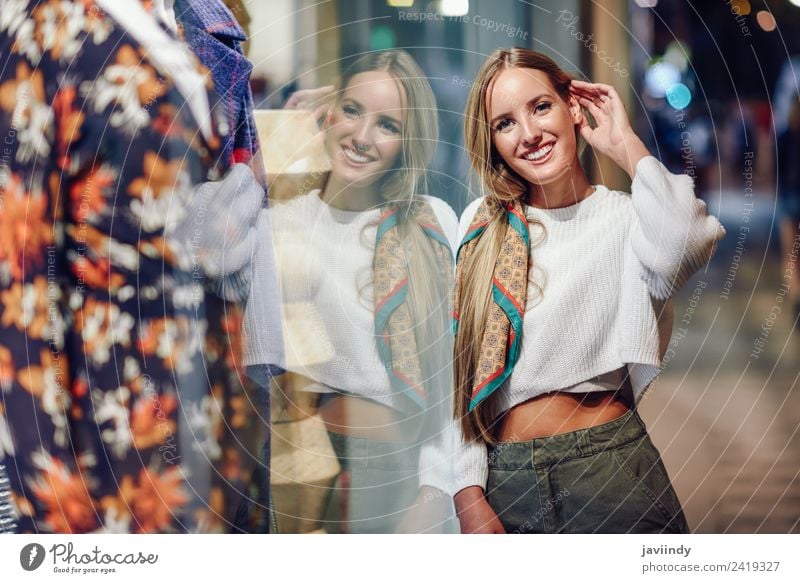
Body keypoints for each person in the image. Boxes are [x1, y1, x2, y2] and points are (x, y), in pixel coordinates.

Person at [0, 0, 266, 533]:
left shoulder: (186, 20)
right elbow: (20, 270)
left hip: (199, 383)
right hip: (106, 398)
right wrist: (55, 497)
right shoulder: (50, 32)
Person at [450, 48, 725, 534]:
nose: (530, 134)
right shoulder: (483, 227)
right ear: (491, 142)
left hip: (611, 470)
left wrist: (623, 144)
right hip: (506, 479)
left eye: (540, 107)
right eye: (504, 124)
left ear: (573, 108)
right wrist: (467, 490)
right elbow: (460, 377)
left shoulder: (627, 218)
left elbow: (688, 241)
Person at [244, 50, 458, 533]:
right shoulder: (279, 218)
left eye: (388, 125)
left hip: (391, 470)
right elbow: (203, 249)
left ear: (408, 143)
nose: (362, 137)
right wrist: (282, 139)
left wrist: (434, 492)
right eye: (353, 111)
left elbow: (454, 385)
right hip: (287, 459)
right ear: (330, 112)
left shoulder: (428, 224)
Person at [776, 96, 800, 322]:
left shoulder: (784, 136)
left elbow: (773, 168)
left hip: (789, 198)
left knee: (790, 255)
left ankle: (796, 298)